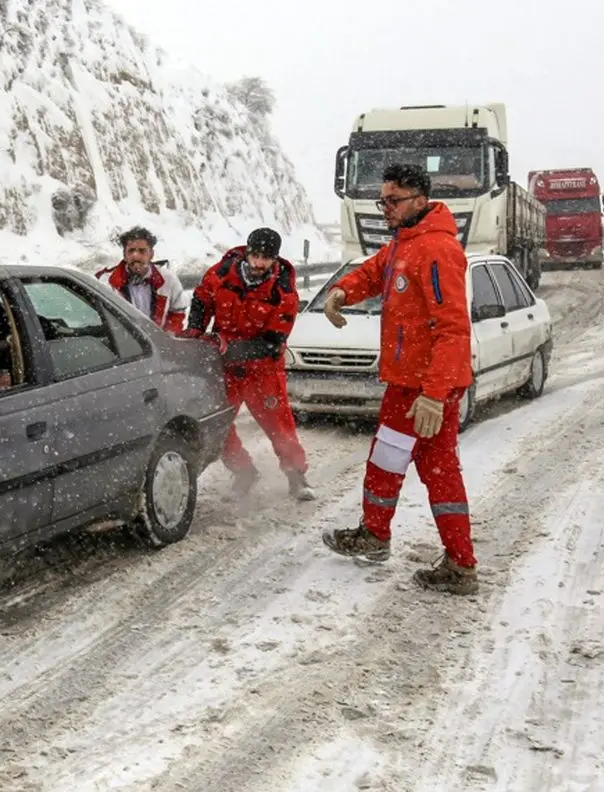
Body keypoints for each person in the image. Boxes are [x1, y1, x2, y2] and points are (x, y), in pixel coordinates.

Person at [318, 163, 478, 595]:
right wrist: (341, 292)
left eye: (393, 200)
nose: (385, 208)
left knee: (395, 464)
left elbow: (453, 329)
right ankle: (457, 563)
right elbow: (372, 273)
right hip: (413, 383)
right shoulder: (405, 243)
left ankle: (378, 536)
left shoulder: (437, 250)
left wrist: (434, 394)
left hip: (423, 387)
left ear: (420, 201)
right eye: (382, 201)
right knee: (434, 471)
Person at [182, 227, 315, 501]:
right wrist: (195, 331)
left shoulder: (283, 292)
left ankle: (296, 475)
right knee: (217, 426)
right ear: (247, 253)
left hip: (263, 370)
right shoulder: (221, 274)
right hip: (225, 369)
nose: (258, 263)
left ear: (275, 259)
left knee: (280, 427)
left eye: (265, 258)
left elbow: (273, 342)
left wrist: (229, 346)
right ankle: (243, 471)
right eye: (255, 256)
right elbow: (201, 299)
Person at [96, 226, 188, 333]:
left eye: (142, 251)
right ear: (124, 255)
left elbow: (177, 312)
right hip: (120, 341)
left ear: (151, 254)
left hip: (157, 341)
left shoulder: (168, 279)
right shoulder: (106, 281)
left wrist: (168, 335)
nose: (136, 256)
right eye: (131, 251)